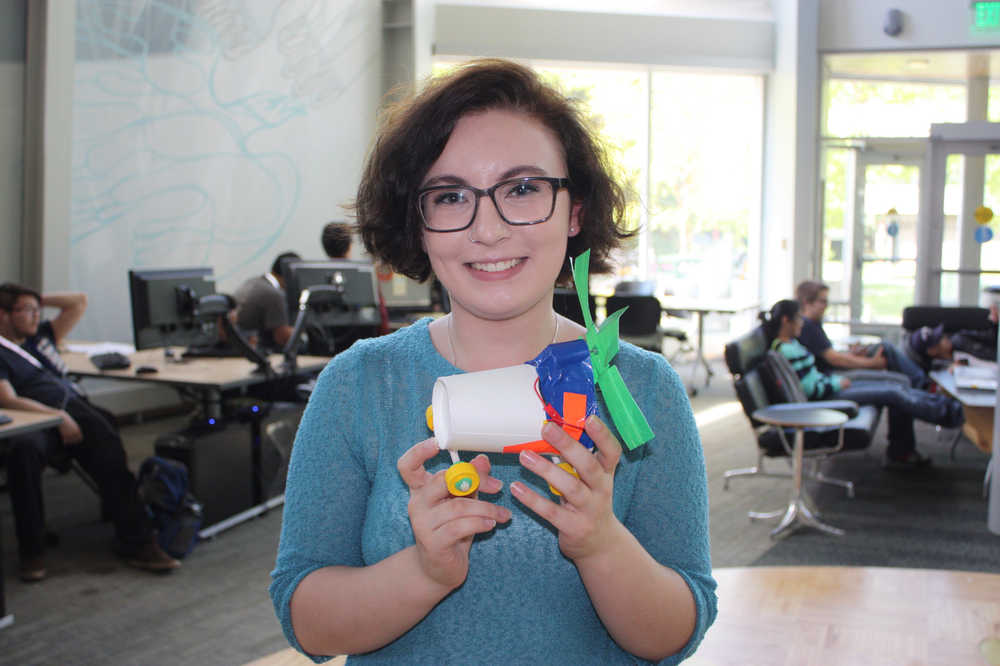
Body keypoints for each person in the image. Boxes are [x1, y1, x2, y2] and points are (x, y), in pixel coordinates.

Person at [269, 59, 716, 663]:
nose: (488, 229)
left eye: (523, 189)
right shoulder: (360, 384)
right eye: (451, 197)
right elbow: (308, 621)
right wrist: (424, 573)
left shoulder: (641, 390)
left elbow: (674, 635)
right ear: (418, 222)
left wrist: (600, 544)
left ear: (574, 210)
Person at [0, 283, 180, 581]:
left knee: (104, 432)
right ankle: (32, 552)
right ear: (3, 315)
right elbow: (6, 398)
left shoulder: (38, 338)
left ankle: (134, 537)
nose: (35, 316)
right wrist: (58, 417)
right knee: (25, 450)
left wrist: (33, 300)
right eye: (26, 311)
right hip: (43, 417)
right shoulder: (4, 352)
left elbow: (78, 301)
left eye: (37, 310)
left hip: (70, 410)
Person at [762, 299, 964, 468]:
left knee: (895, 386)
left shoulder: (792, 344)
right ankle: (949, 413)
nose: (802, 323)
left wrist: (835, 381)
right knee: (892, 393)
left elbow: (813, 377)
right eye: (798, 318)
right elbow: (809, 389)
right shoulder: (785, 351)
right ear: (786, 320)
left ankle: (944, 405)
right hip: (826, 397)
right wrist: (837, 384)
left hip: (830, 387)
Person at [796, 280, 929, 389]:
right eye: (822, 301)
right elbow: (835, 359)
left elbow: (828, 355)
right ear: (807, 303)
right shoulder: (808, 326)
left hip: (834, 369)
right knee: (899, 380)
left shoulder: (813, 323)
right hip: (833, 374)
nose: (826, 306)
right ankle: (923, 385)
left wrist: (852, 355)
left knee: (885, 348)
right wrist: (871, 363)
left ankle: (922, 383)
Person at [233, 251, 301, 352]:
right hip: (251, 347)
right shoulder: (274, 295)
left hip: (239, 344)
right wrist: (305, 331)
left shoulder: (254, 281)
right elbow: (282, 338)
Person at [909, 323, 997, 365]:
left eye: (941, 335)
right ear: (932, 351)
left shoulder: (961, 338)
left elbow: (991, 337)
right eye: (938, 340)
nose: (944, 338)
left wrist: (996, 324)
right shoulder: (940, 368)